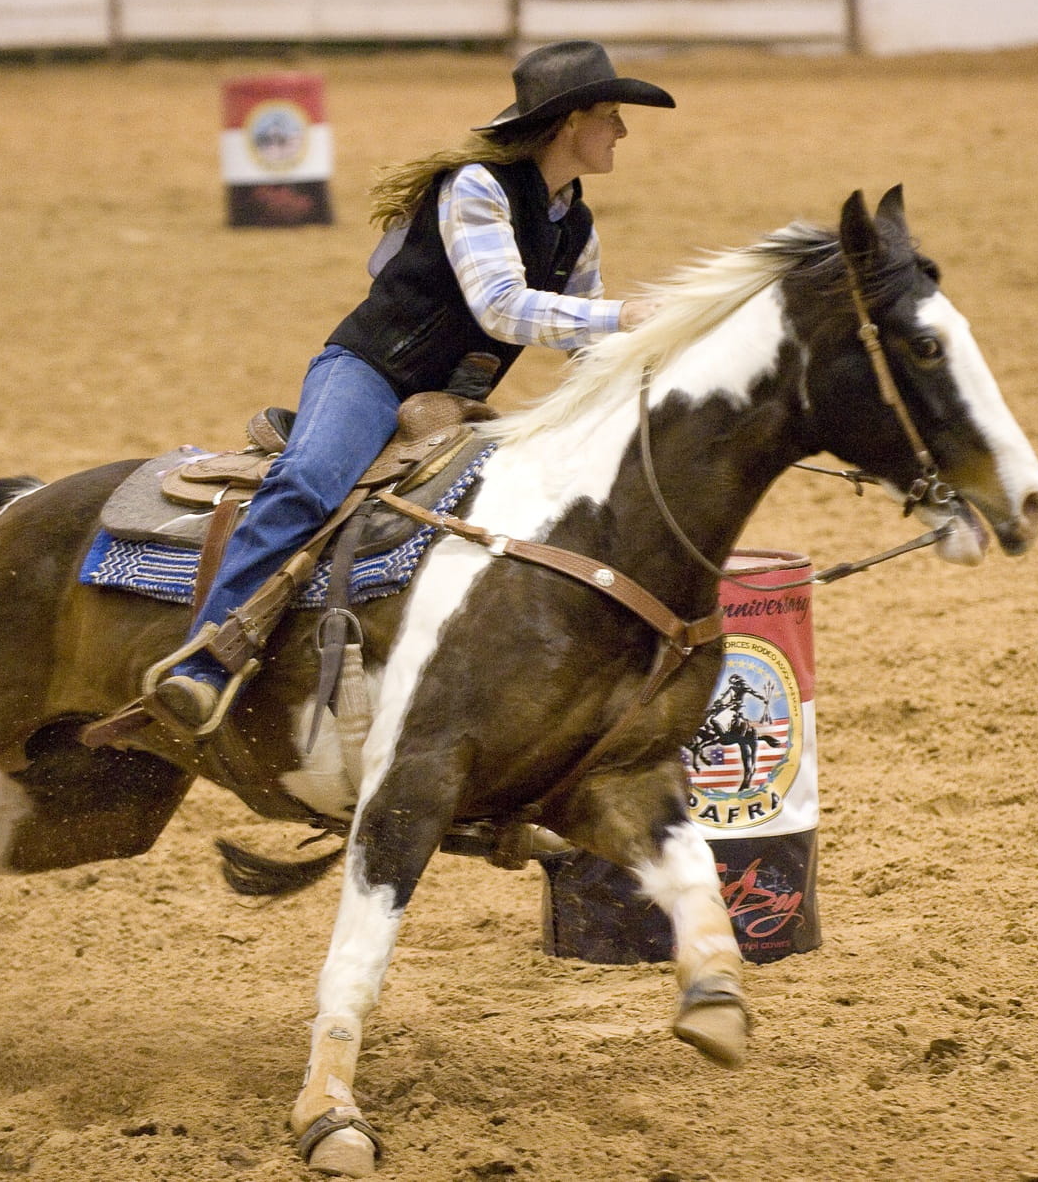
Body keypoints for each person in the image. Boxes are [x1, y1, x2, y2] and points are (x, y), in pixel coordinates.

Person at [154, 40, 676, 730]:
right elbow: (503, 306)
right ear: (568, 123)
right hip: (372, 371)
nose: (622, 130)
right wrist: (624, 314)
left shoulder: (573, 224)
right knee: (310, 478)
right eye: (610, 114)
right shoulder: (477, 187)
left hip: (453, 403)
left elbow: (584, 340)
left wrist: (641, 374)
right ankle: (203, 658)